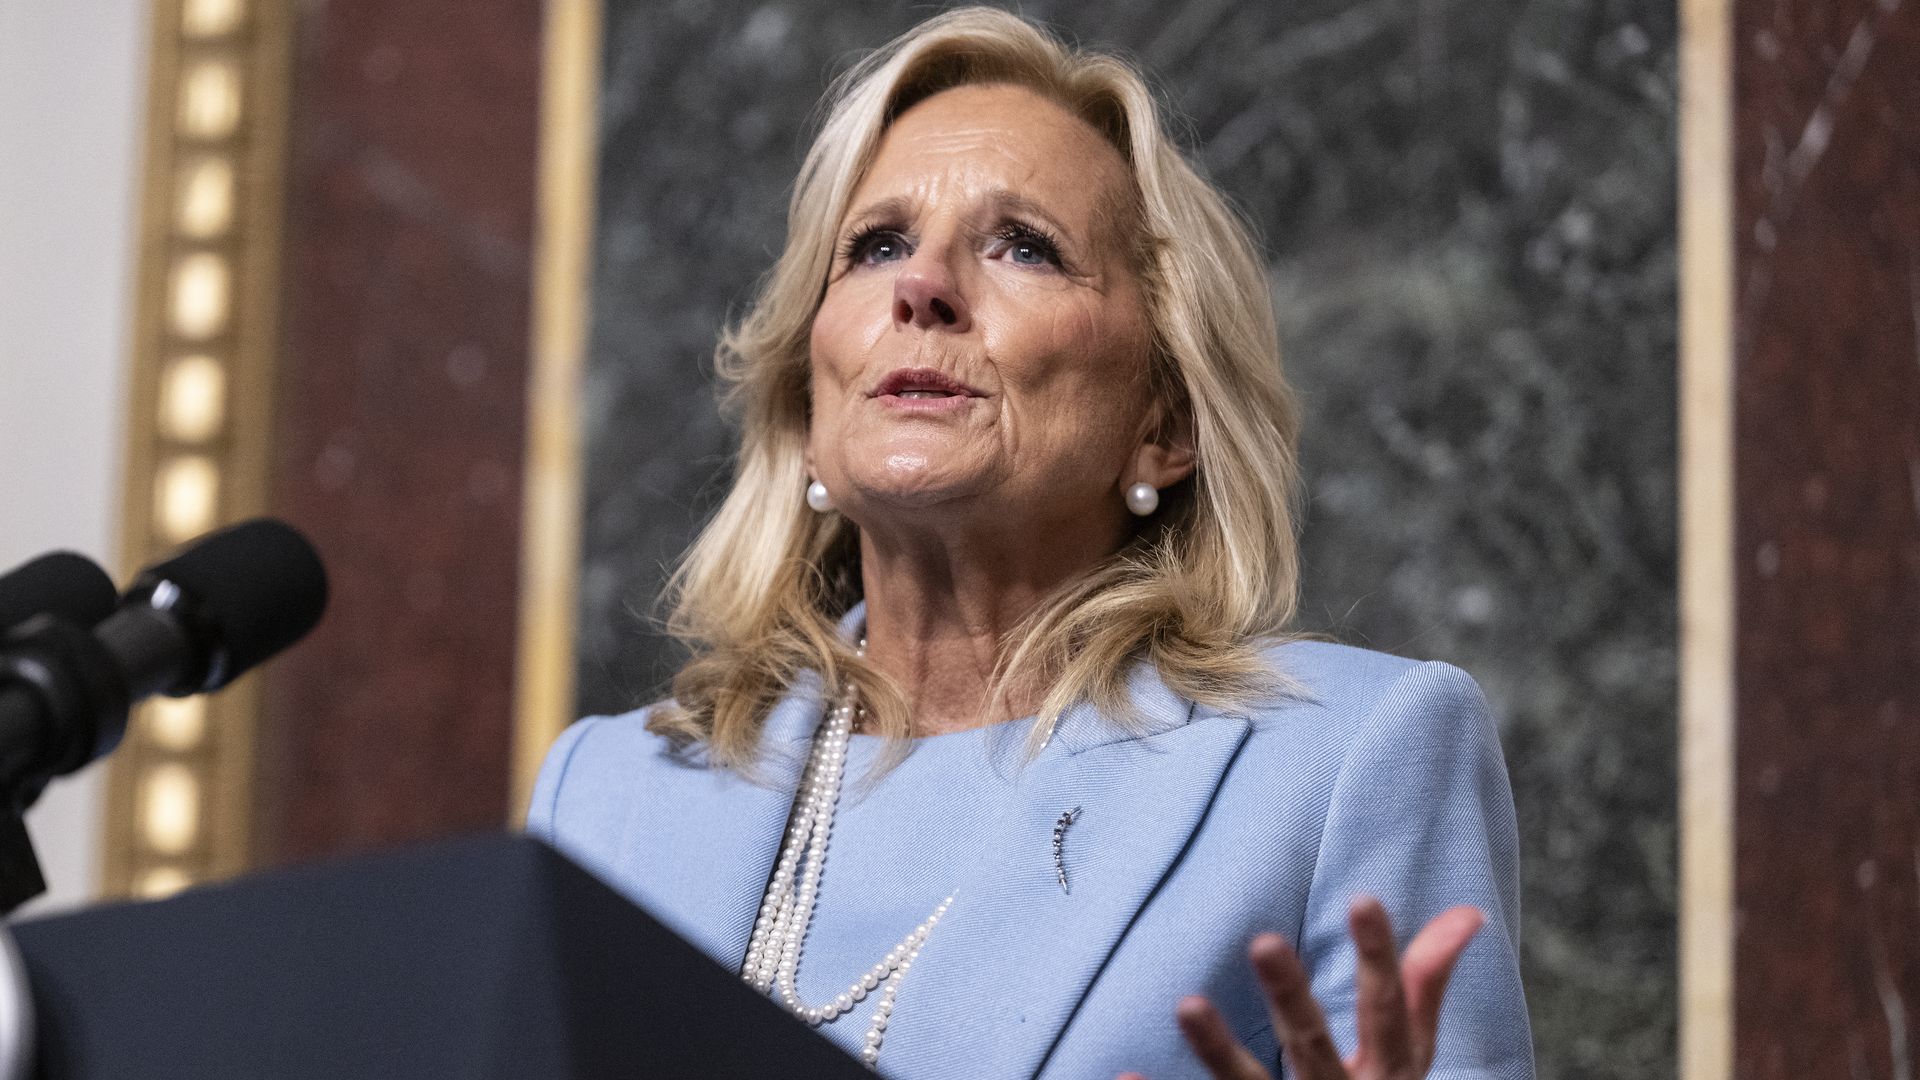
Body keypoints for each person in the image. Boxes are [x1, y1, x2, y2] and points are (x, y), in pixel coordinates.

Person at [528, 8, 1533, 1078]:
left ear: (1165, 424)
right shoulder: (606, 795)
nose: (923, 286)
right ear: (805, 405)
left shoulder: (1346, 765)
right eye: (876, 246)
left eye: (1024, 247)